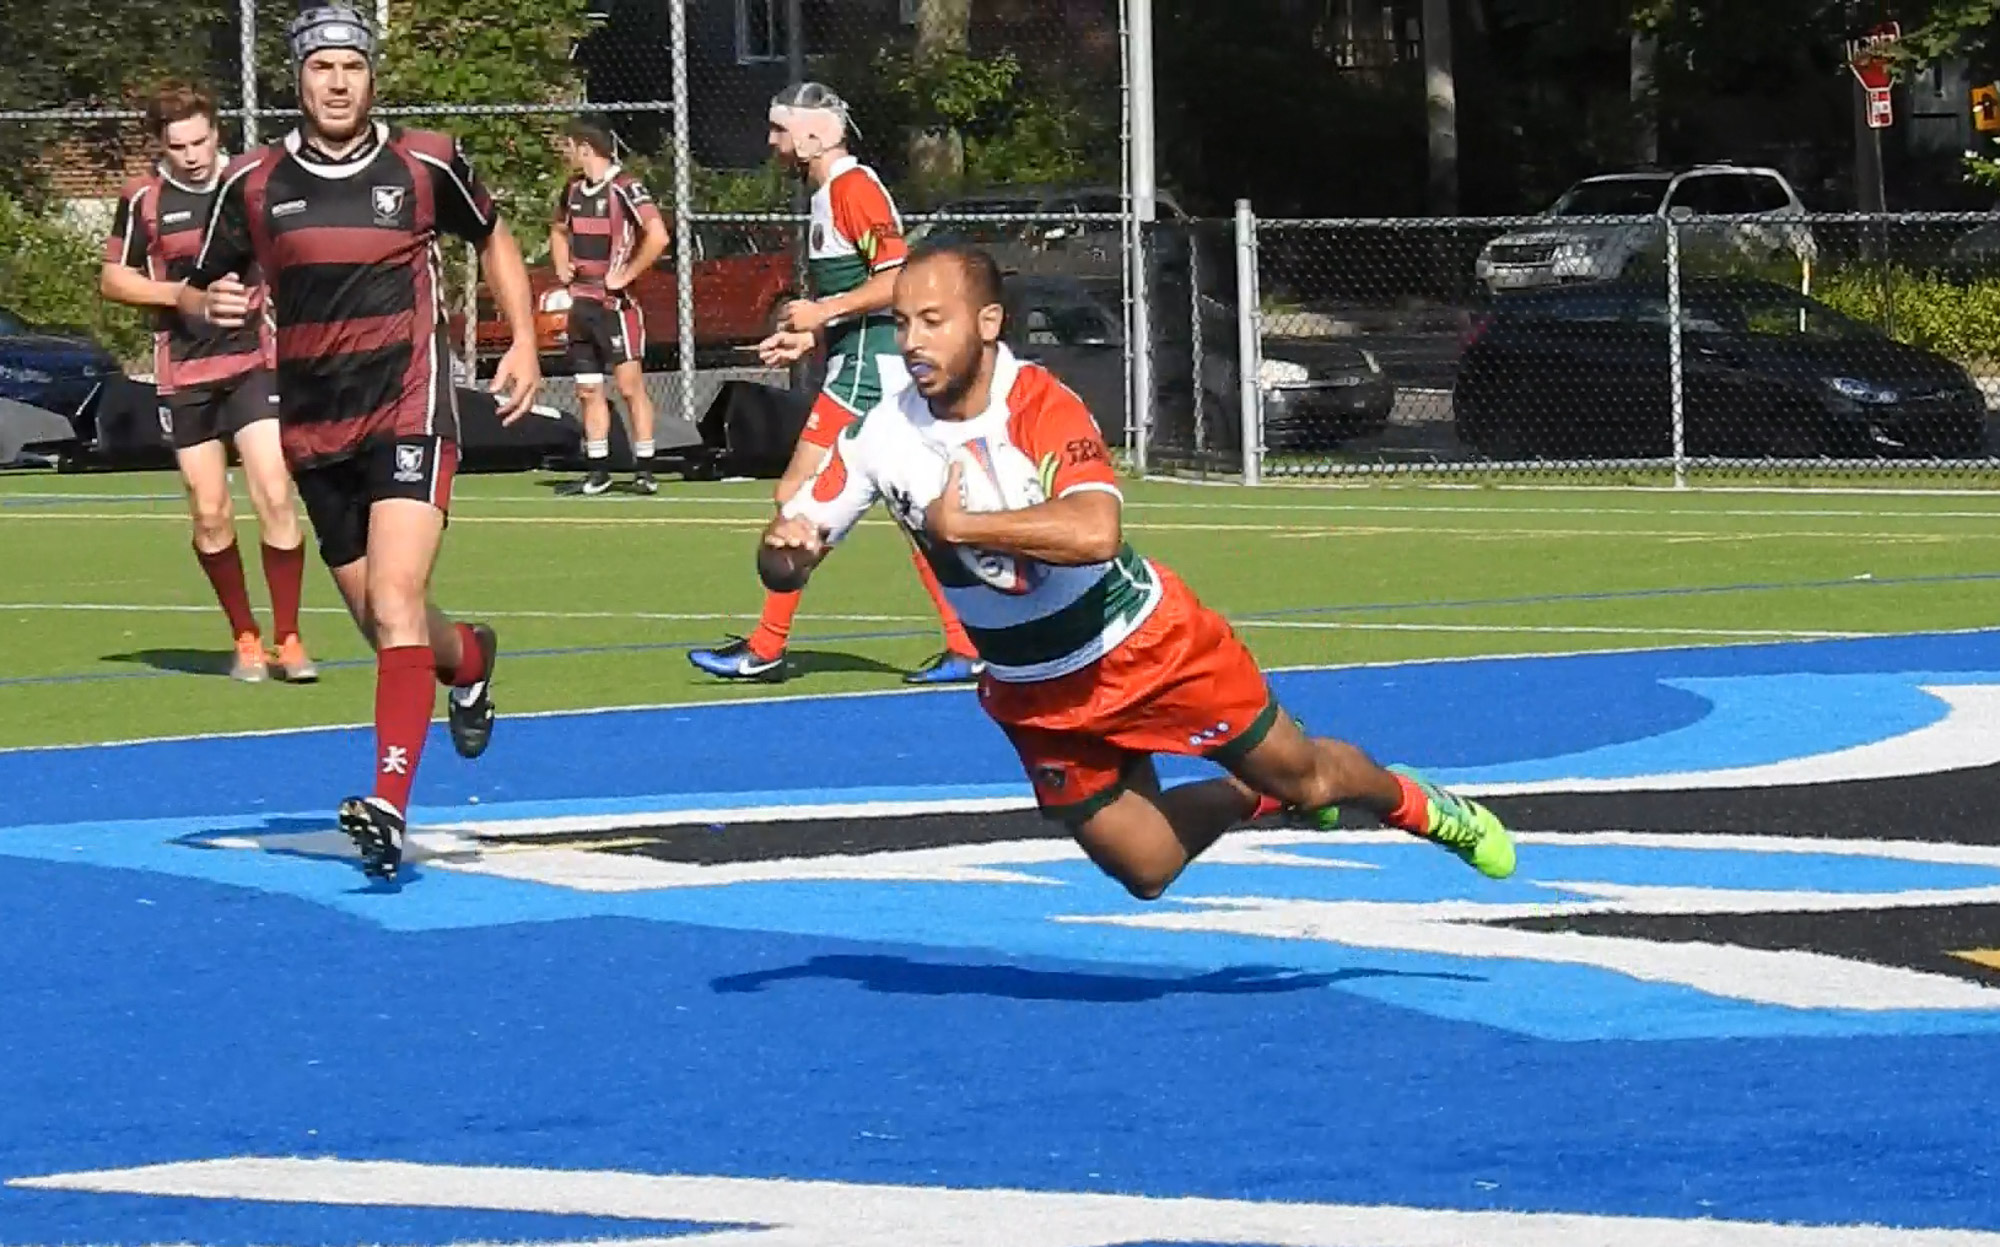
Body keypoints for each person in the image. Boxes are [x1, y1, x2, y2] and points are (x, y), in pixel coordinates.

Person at [754, 244, 1516, 900]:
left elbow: (1094, 531)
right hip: (1034, 689)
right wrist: (787, 551)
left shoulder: (1040, 404)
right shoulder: (881, 434)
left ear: (987, 324)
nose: (913, 340)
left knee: (1310, 777)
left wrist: (966, 527)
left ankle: (1420, 804)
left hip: (1146, 647)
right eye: (902, 322)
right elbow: (788, 554)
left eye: (933, 320)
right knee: (1146, 869)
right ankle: (1246, 796)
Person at [179, 5, 542, 881]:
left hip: (409, 406)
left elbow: (494, 236)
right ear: (296, 79)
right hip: (314, 425)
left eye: (351, 66)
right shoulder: (254, 182)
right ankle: (475, 659)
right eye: (320, 69)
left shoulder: (426, 162)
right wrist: (207, 306)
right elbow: (202, 289)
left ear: (372, 75)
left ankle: (388, 802)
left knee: (396, 594)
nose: (337, 82)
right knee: (391, 627)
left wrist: (522, 338)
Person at [687, 82, 983, 687]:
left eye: (780, 129)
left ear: (815, 134)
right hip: (860, 364)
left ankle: (767, 649)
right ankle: (966, 645)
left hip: (869, 376)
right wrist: (810, 336)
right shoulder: (830, 194)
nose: (772, 141)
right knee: (907, 512)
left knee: (797, 499)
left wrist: (821, 315)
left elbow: (899, 278)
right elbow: (861, 300)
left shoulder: (853, 188)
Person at [101, 79, 315, 684]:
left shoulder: (250, 180)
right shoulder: (143, 198)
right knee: (210, 512)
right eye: (178, 146)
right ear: (161, 146)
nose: (192, 154)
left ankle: (289, 637)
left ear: (217, 131)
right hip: (186, 371)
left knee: (275, 493)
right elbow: (114, 280)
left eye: (200, 140)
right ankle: (244, 637)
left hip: (254, 361)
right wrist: (182, 296)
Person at [549, 119, 669, 496]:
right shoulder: (571, 190)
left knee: (630, 386)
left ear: (585, 147)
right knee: (587, 390)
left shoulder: (625, 188)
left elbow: (658, 234)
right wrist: (561, 264)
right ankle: (597, 471)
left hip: (615, 306)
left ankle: (645, 469)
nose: (566, 155)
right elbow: (557, 230)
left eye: (569, 147)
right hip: (580, 304)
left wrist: (626, 274)